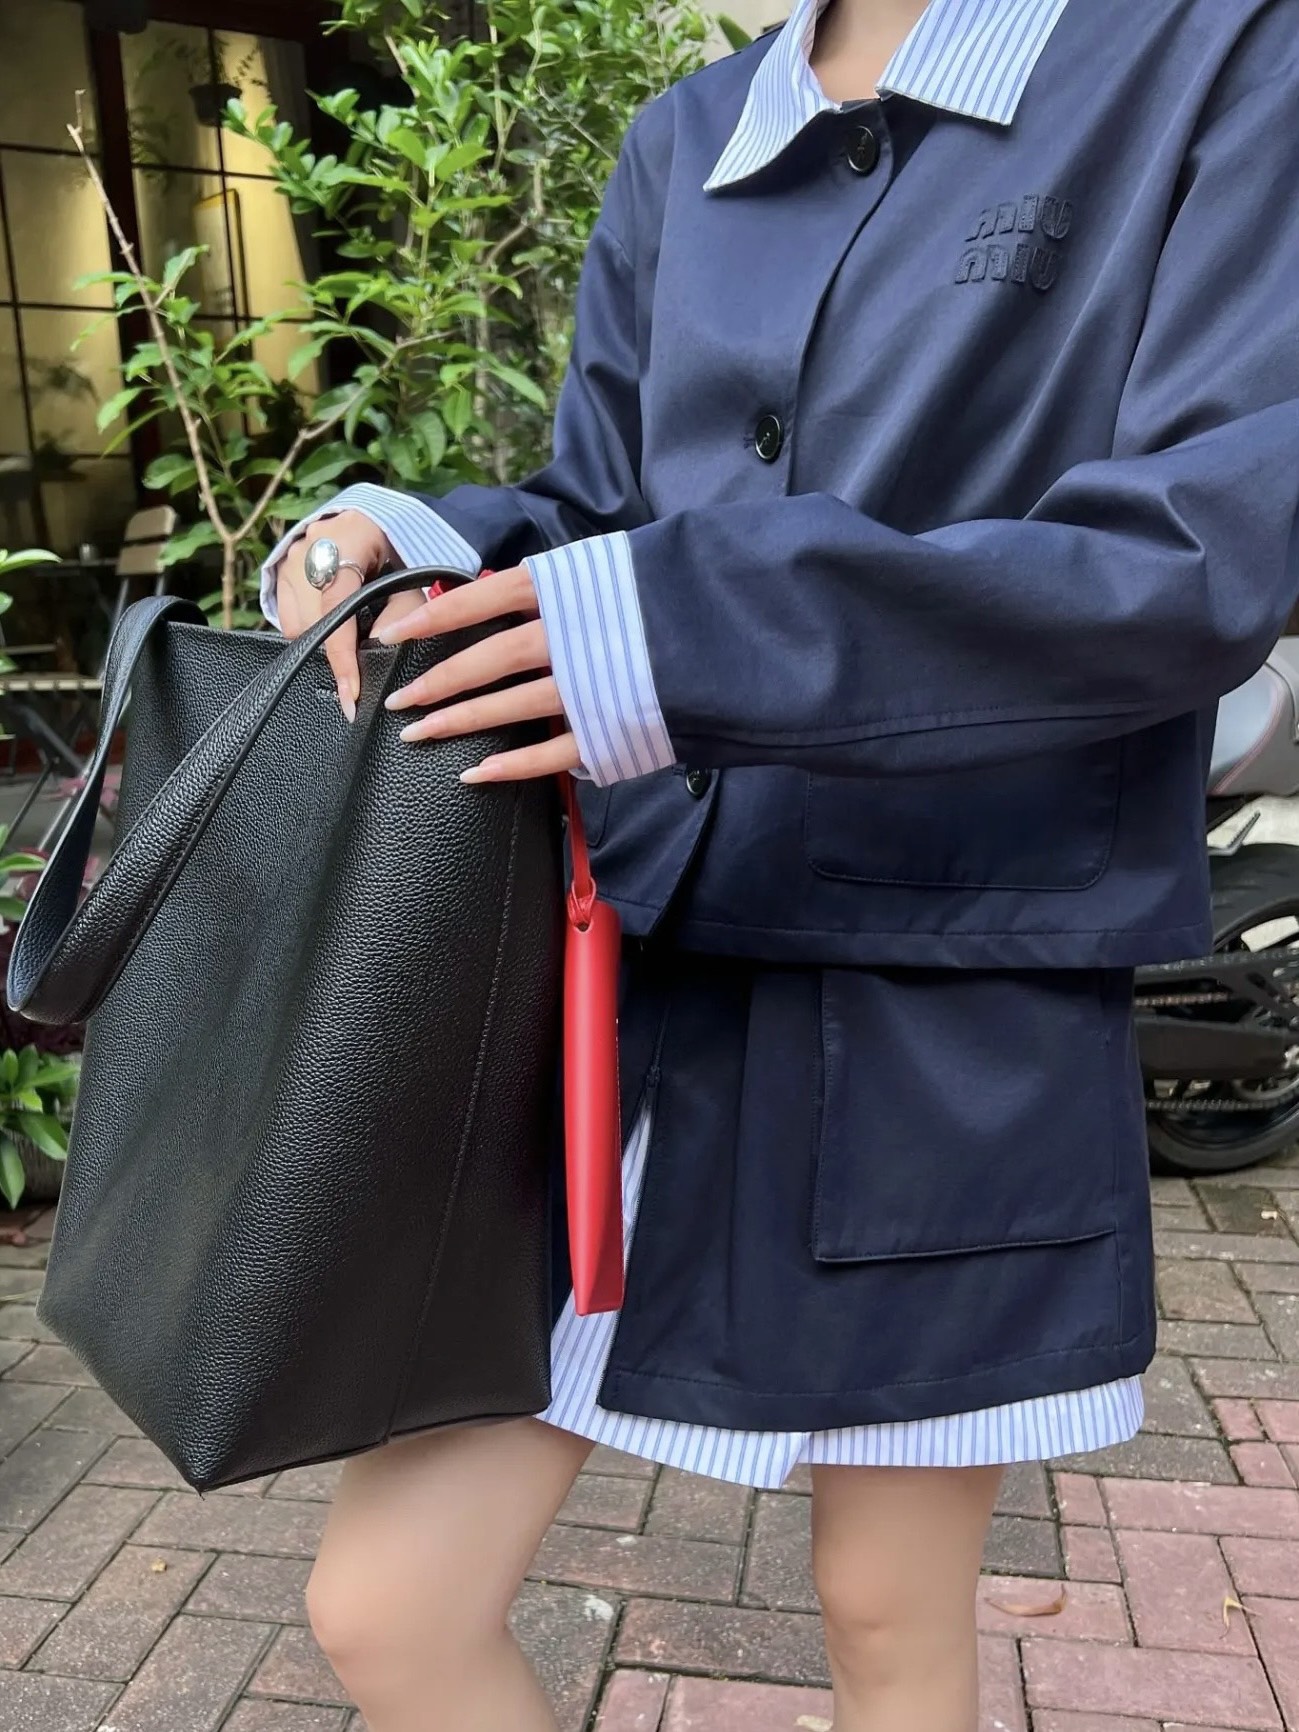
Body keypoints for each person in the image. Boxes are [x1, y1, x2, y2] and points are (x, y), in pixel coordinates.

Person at [262, 1, 1299, 1727]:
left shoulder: (1217, 51)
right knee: (385, 1608)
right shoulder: (689, 133)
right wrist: (418, 539)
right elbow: (610, 496)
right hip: (626, 972)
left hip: (941, 1002)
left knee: (890, 1622)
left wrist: (689, 631)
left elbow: (1203, 556)